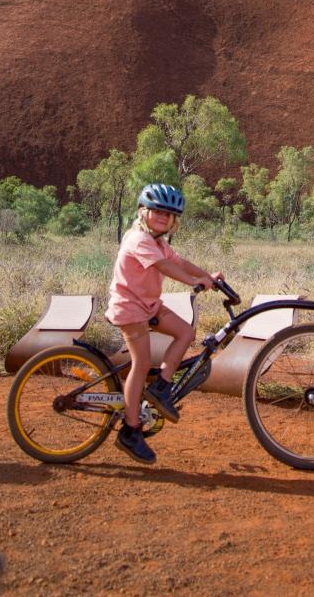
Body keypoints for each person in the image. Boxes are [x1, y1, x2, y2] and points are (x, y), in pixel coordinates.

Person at [106, 182, 223, 465]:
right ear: (142, 212)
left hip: (149, 305)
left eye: (168, 215)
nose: (162, 217)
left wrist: (209, 276)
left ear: (173, 222)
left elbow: (180, 262)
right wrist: (196, 282)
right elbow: (165, 268)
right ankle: (130, 430)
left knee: (186, 332)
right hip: (129, 307)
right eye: (156, 211)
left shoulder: (159, 243)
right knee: (141, 363)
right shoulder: (138, 240)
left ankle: (160, 387)